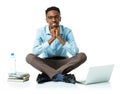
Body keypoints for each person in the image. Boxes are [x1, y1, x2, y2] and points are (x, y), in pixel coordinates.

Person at [26, 6, 87, 84]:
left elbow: (75, 52)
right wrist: (52, 38)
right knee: (29, 57)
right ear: (46, 20)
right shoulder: (40, 31)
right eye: (50, 17)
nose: (53, 20)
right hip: (46, 63)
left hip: (64, 63)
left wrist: (59, 37)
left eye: (56, 17)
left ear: (60, 18)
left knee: (82, 56)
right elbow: (35, 52)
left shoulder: (67, 31)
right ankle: (60, 76)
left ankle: (49, 75)